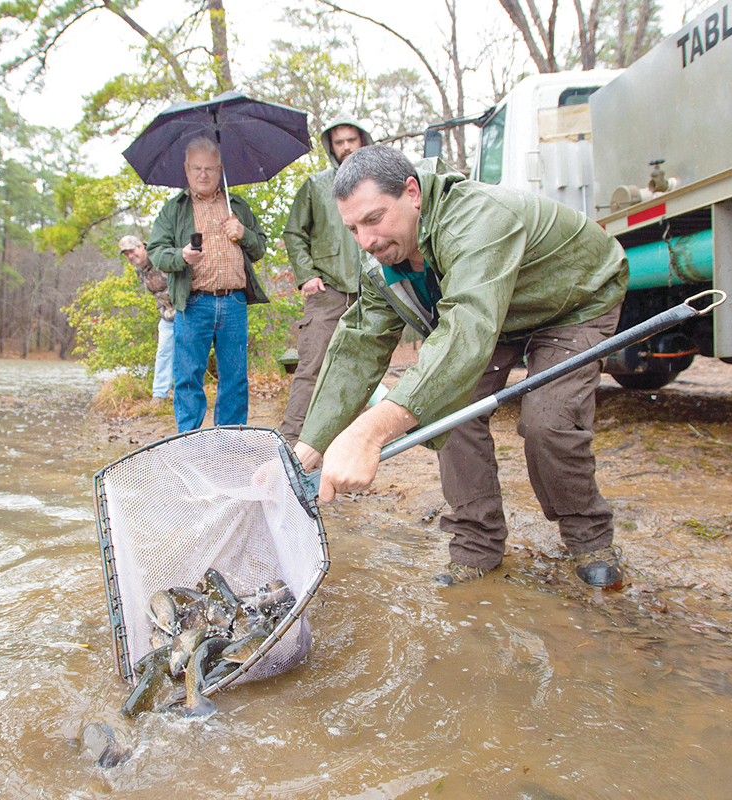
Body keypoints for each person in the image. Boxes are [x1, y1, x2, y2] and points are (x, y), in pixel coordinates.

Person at [292, 145, 630, 589]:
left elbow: (466, 327)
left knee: (549, 422)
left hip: (574, 299)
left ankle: (590, 539)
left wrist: (370, 430)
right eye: (353, 227)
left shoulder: (476, 217)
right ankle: (476, 544)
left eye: (374, 219)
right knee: (448, 412)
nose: (367, 241)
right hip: (499, 314)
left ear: (412, 192)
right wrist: (308, 448)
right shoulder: (382, 260)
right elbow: (357, 348)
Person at [147, 137, 269, 432]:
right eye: (197, 168)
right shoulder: (173, 209)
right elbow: (155, 251)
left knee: (235, 377)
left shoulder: (236, 205)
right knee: (188, 376)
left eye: (210, 169)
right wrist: (181, 256)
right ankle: (189, 440)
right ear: (186, 170)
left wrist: (243, 232)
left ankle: (229, 441)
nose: (203, 174)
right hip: (192, 303)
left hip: (234, 303)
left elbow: (260, 247)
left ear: (220, 171)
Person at [279, 116, 373, 445]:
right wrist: (307, 276)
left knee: (359, 372)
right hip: (328, 292)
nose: (346, 146)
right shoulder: (316, 185)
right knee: (312, 369)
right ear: (330, 147)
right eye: (339, 141)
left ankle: (345, 447)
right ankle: (290, 446)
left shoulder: (378, 183)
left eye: (352, 139)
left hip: (372, 294)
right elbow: (293, 232)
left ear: (363, 141)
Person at [118, 234, 175, 400]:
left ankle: (184, 395)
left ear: (142, 246)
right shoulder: (139, 270)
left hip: (186, 310)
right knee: (163, 352)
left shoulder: (160, 256)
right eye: (126, 254)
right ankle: (159, 396)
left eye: (132, 250)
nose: (130, 256)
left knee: (187, 354)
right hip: (166, 314)